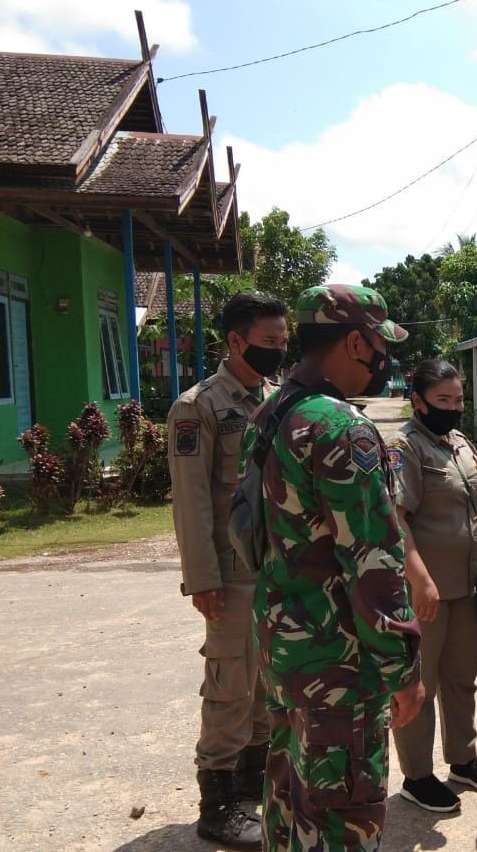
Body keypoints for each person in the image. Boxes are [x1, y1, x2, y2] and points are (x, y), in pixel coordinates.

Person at [244, 285, 425, 852]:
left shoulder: (272, 412)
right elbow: (372, 560)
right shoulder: (340, 428)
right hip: (339, 665)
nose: (384, 359)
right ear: (354, 343)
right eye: (380, 345)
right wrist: (402, 670)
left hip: (284, 646)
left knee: (290, 803)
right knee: (342, 818)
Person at [168, 291, 288, 849]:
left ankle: (250, 786)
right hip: (230, 572)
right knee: (229, 685)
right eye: (269, 341)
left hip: (272, 567)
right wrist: (203, 579)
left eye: (283, 341)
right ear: (236, 341)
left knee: (264, 682)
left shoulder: (275, 399)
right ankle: (215, 805)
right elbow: (191, 500)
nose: (279, 350)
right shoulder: (199, 407)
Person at [386, 359, 477, 813]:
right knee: (420, 685)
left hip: (465, 585)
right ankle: (417, 776)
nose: (453, 407)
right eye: (443, 400)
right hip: (426, 592)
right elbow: (396, 518)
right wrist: (419, 578)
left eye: (458, 399)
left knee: (462, 677)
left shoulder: (458, 443)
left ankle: (463, 759)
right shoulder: (404, 447)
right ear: (418, 401)